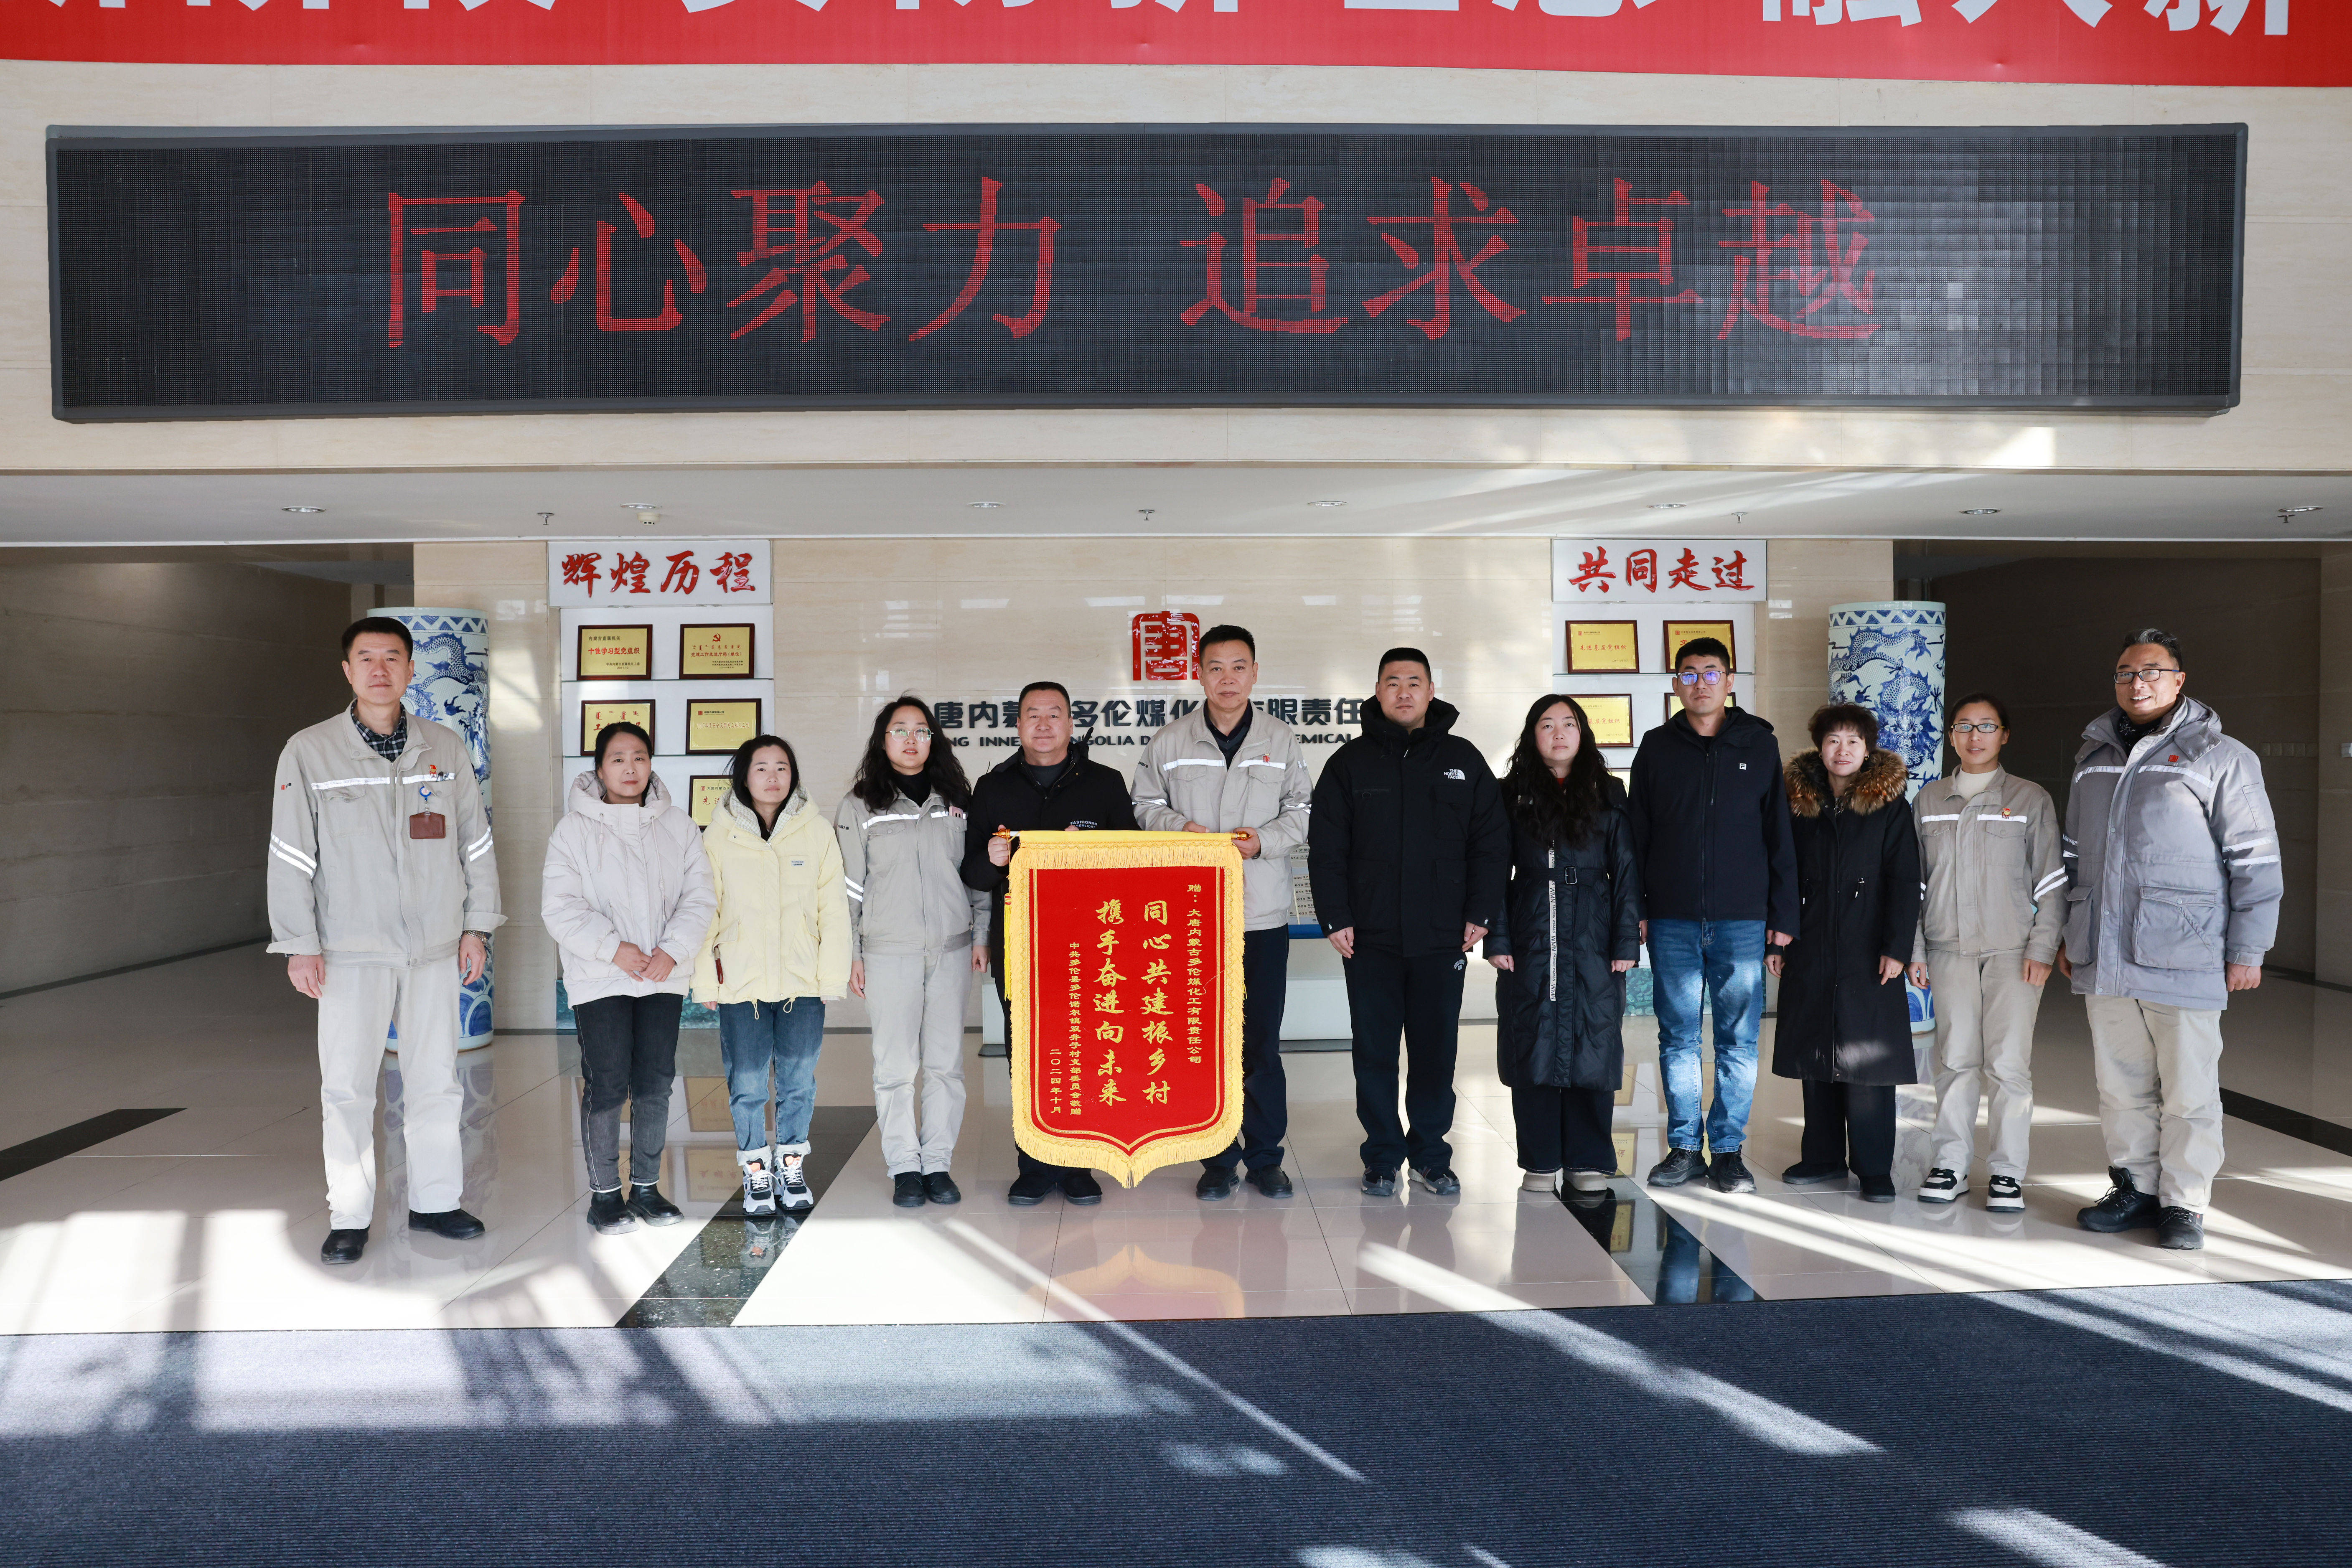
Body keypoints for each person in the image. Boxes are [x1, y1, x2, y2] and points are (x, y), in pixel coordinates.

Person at [267, 616, 502, 1266]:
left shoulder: (443, 748)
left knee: (436, 1082)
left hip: (434, 946)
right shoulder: (309, 751)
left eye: (392, 657)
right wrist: (299, 942)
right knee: (347, 1089)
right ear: (347, 671)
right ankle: (349, 1216)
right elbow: (290, 855)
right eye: (366, 658)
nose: (379, 669)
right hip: (349, 951)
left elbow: (476, 846)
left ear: (411, 669)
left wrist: (477, 925)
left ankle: (436, 1202)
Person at [2062, 629, 2281, 1251]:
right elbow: (2072, 856)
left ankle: (2184, 1203)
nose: (2137, 683)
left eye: (2151, 672)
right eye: (2126, 673)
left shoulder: (2222, 756)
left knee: (2189, 1089)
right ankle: (2134, 1187)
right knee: (2120, 1084)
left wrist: (2248, 949)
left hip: (2185, 950)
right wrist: (2068, 933)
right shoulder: (2093, 756)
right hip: (2103, 950)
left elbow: (2255, 859)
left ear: (2179, 680)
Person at [1307, 648, 1509, 1197]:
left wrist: (1481, 912)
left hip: (1443, 936)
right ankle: (1380, 1157)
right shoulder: (1349, 764)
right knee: (1374, 1054)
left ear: (1430, 690)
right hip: (1368, 938)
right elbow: (1326, 849)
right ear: (1377, 691)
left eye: (1413, 682)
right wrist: (1335, 916)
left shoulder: (1463, 759)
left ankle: (1430, 1156)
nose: (1403, 691)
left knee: (1434, 1053)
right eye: (1392, 682)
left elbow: (1491, 845)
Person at [1130, 626, 1315, 1202]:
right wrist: (1176, 828)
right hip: (1193, 920)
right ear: (1199, 673)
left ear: (1255, 673)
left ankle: (1264, 1158)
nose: (1227, 679)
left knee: (1260, 1042)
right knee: (1201, 1042)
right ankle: (1215, 1158)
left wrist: (1262, 841)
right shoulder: (1170, 741)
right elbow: (1143, 804)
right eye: (1216, 667)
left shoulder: (1280, 739)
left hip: (1261, 917)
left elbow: (1303, 810)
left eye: (1239, 667)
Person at [1626, 635, 1799, 1195]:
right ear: (1675, 684)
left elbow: (1779, 836)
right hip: (1672, 918)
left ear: (1729, 681)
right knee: (1677, 1039)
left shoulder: (1759, 744)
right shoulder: (1656, 748)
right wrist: (1637, 909)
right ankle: (1683, 1148)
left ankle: (1727, 1152)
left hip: (1742, 920)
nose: (1699, 683)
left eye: (1710, 672)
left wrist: (1782, 917)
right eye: (1688, 673)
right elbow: (1635, 836)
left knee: (1738, 1041)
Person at [961, 682, 1140, 1207]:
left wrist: (1093, 852)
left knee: (1086, 1050)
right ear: (1018, 725)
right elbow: (971, 873)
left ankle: (1079, 1165)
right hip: (1020, 947)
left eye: (1054, 714)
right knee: (1026, 1053)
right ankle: (1035, 1165)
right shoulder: (992, 787)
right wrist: (992, 859)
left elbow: (1134, 862)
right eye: (1032, 715)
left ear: (1070, 723)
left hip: (1092, 946)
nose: (1043, 725)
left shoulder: (1105, 783)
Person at [542, 722, 715, 1234]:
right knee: (608, 1082)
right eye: (617, 759)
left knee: (656, 1083)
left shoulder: (678, 826)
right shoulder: (572, 830)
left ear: (651, 764)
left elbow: (700, 897)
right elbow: (560, 906)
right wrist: (613, 949)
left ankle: (646, 1188)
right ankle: (604, 1196)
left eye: (639, 757)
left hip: (662, 975)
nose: (630, 768)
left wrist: (672, 951)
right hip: (601, 977)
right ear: (600, 770)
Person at [1903, 694, 2062, 1212]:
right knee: (1953, 1060)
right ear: (1950, 735)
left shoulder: (2029, 798)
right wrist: (1916, 949)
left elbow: (2051, 881)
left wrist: (2043, 946)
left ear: (2004, 735)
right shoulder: (1929, 799)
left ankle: (2007, 1174)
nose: (1975, 736)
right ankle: (1949, 1164)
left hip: (2012, 952)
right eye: (1964, 727)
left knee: (2008, 1065)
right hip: (1947, 948)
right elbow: (1913, 885)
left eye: (1987, 726)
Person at [835, 698, 990, 1210]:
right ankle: (905, 1166)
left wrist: (982, 934)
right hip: (888, 952)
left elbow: (976, 875)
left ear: (933, 740)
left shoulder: (958, 800)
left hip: (952, 949)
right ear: (883, 740)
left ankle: (937, 1164)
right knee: (895, 1067)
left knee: (946, 1065)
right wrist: (853, 952)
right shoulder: (861, 805)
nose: (910, 740)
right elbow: (848, 888)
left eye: (920, 730)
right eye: (899, 730)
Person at [1486, 695, 1643, 1197]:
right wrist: (1497, 937)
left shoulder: (1608, 793)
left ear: (1583, 733)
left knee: (1594, 1038)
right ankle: (1540, 1159)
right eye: (1547, 725)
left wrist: (1626, 939)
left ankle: (1588, 1158)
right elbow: (1492, 871)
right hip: (1530, 931)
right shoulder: (1510, 795)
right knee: (1532, 1039)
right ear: (1532, 735)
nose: (1558, 733)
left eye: (1568, 724)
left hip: (1594, 932)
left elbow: (1627, 870)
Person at [694, 734, 850, 1216]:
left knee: (798, 1080)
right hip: (740, 983)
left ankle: (791, 1163)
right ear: (744, 776)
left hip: (802, 982)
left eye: (782, 767)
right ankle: (756, 1169)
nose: (773, 777)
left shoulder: (816, 831)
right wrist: (706, 981)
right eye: (761, 767)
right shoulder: (719, 835)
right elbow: (705, 911)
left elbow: (833, 910)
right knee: (747, 1083)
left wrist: (831, 978)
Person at [1771, 704, 1922, 1203]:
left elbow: (1905, 880)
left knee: (1868, 1059)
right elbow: (1781, 873)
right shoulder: (1798, 803)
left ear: (1867, 749)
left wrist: (1897, 947)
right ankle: (1822, 1157)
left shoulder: (1889, 805)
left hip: (1869, 946)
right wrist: (1777, 939)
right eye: (1833, 740)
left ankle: (1874, 1168)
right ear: (1819, 747)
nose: (1842, 750)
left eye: (1853, 741)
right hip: (1810, 942)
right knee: (1816, 1051)